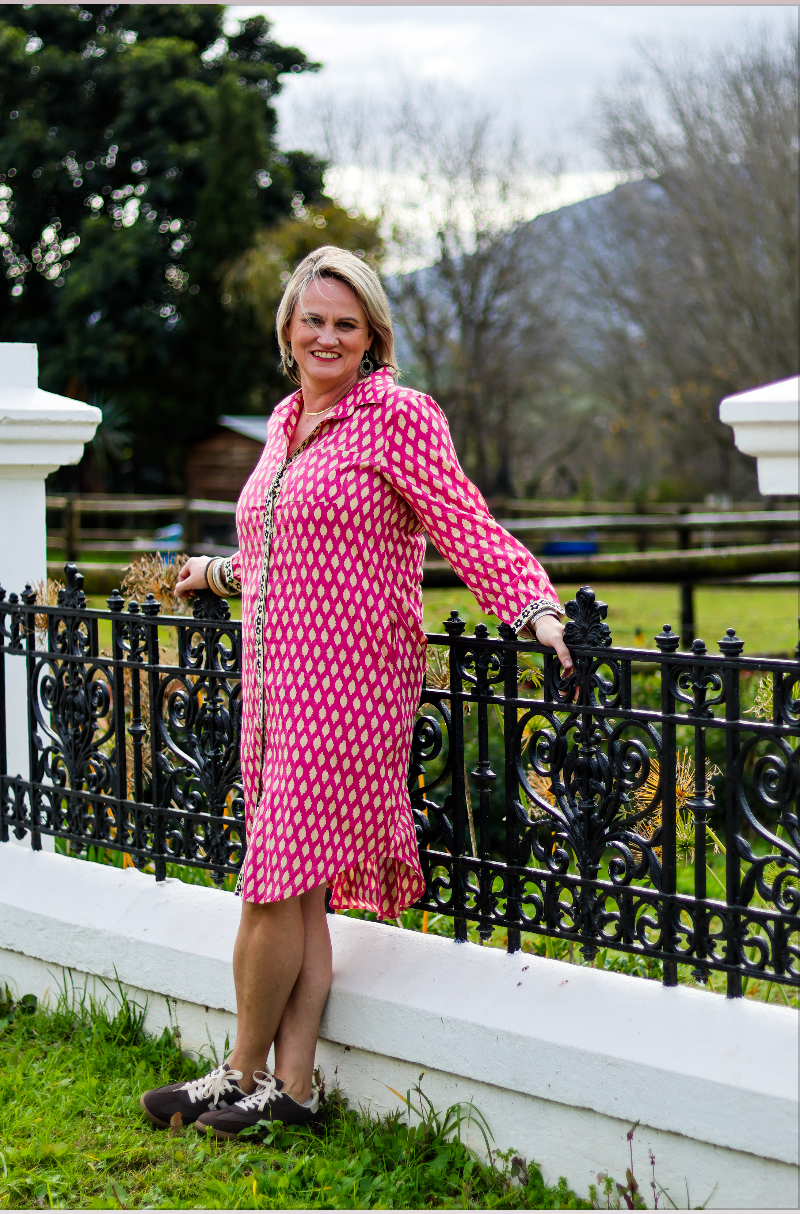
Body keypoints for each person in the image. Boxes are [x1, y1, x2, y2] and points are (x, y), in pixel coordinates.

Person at [140, 246, 572, 1140]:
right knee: (297, 891)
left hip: (348, 688)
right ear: (288, 331)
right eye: (313, 321)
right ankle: (293, 1091)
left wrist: (533, 608)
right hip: (275, 684)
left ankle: (236, 1071)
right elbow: (279, 548)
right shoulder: (283, 423)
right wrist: (213, 574)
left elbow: (465, 521)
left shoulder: (398, 417)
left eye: (346, 323)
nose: (327, 336)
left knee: (268, 885)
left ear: (372, 335)